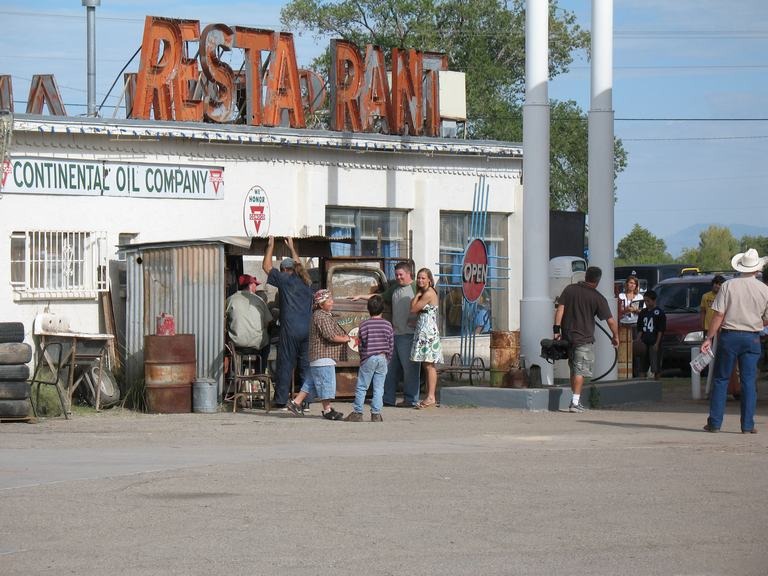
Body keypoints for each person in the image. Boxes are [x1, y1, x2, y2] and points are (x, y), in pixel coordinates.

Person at [701, 248, 768, 433]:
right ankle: (747, 425)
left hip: (729, 336)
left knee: (721, 379)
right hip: (752, 337)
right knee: (748, 381)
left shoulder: (728, 286)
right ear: (757, 269)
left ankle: (715, 422)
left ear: (740, 267)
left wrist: (709, 337)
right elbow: (766, 318)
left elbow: (718, 315)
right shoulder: (764, 289)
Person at [353, 261, 420, 407]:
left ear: (409, 274)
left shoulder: (416, 287)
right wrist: (361, 296)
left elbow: (426, 305)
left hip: (409, 335)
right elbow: (381, 296)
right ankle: (387, 398)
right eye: (396, 275)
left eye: (401, 274)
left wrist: (417, 321)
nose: (398, 277)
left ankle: (411, 399)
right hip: (395, 334)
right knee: (389, 369)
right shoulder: (395, 288)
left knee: (410, 370)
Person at [554, 266, 620, 412]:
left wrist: (556, 330)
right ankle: (575, 403)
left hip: (567, 337)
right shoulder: (597, 297)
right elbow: (610, 321)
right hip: (584, 339)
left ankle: (575, 399)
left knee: (574, 369)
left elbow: (560, 309)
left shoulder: (569, 289)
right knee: (580, 371)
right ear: (598, 280)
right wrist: (615, 336)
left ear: (585, 276)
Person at [262, 236, 313, 408]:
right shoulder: (306, 281)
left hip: (290, 330)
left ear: (284, 270)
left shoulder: (285, 280)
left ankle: (281, 400)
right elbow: (299, 264)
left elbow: (266, 267)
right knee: (305, 365)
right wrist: (292, 248)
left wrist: (270, 246)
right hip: (307, 330)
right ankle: (305, 401)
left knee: (285, 363)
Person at [286, 289, 350, 420]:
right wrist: (346, 339)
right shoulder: (321, 316)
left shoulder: (321, 315)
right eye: (329, 300)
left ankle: (296, 403)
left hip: (318, 358)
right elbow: (330, 336)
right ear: (321, 304)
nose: (332, 302)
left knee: (311, 383)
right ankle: (327, 410)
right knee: (326, 384)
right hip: (323, 357)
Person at [344, 295, 394, 422]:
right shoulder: (388, 325)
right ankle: (376, 414)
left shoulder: (364, 325)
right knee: (379, 387)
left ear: (368, 309)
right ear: (383, 309)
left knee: (362, 386)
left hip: (369, 357)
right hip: (383, 358)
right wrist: (388, 358)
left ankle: (358, 412)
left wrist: (362, 358)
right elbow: (391, 344)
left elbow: (361, 344)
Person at [410, 268, 443, 409]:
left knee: (429, 364)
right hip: (424, 331)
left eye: (423, 278)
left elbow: (413, 308)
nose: (420, 280)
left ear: (429, 279)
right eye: (419, 278)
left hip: (428, 332)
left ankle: (431, 396)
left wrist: (417, 294)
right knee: (426, 364)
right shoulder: (425, 292)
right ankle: (429, 395)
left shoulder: (428, 293)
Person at [225, 274, 271, 373]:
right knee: (267, 342)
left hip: (237, 344)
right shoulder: (259, 300)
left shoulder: (230, 300)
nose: (256, 287)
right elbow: (267, 322)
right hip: (257, 345)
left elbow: (224, 320)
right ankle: (260, 373)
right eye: (255, 284)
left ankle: (235, 373)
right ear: (250, 285)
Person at [636, 289, 666, 379]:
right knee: (642, 366)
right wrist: (638, 340)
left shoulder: (659, 313)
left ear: (654, 300)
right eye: (645, 300)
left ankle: (657, 382)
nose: (646, 303)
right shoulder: (643, 312)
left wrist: (657, 343)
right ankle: (641, 383)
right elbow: (640, 328)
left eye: (648, 301)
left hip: (654, 341)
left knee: (655, 366)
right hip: (644, 341)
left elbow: (661, 330)